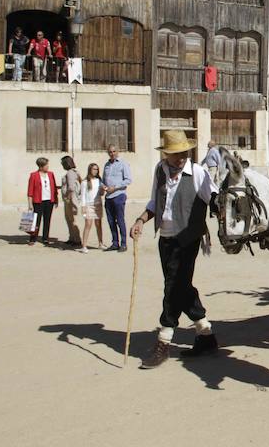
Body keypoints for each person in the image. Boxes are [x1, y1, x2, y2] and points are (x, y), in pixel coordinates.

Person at [131, 129, 219, 369]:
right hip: (166, 237)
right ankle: (206, 335)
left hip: (187, 238)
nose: (180, 158)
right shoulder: (160, 170)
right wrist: (140, 220)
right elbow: (155, 202)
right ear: (166, 154)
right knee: (181, 286)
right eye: (175, 154)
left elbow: (213, 196)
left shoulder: (198, 172)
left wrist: (222, 209)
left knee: (172, 287)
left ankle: (164, 340)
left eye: (183, 153)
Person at [103, 144, 132, 252]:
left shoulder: (123, 164)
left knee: (120, 220)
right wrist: (103, 186)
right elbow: (104, 180)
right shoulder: (106, 165)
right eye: (110, 152)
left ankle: (123, 244)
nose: (112, 154)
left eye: (114, 151)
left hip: (119, 195)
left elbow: (128, 180)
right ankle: (115, 243)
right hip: (108, 196)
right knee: (111, 221)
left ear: (118, 151)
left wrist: (115, 188)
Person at [26, 157, 58, 246]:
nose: (48, 166)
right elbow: (30, 190)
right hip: (38, 201)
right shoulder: (34, 175)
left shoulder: (51, 174)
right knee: (36, 221)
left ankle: (45, 238)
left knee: (47, 220)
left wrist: (56, 199)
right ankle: (33, 238)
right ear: (41, 166)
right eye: (46, 165)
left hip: (49, 201)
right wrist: (30, 203)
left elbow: (54, 188)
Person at [79, 163, 106, 253]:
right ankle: (84, 245)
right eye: (94, 169)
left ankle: (100, 243)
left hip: (98, 204)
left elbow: (101, 194)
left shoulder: (99, 181)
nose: (95, 171)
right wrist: (83, 207)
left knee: (98, 224)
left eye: (97, 169)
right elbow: (82, 195)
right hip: (89, 205)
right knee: (88, 224)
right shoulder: (85, 182)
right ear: (90, 170)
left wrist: (103, 190)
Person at [59, 155, 82, 247]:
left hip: (71, 199)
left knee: (72, 219)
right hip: (71, 199)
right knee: (69, 219)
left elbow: (71, 187)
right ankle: (72, 238)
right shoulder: (74, 172)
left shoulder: (70, 173)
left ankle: (77, 239)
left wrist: (68, 198)